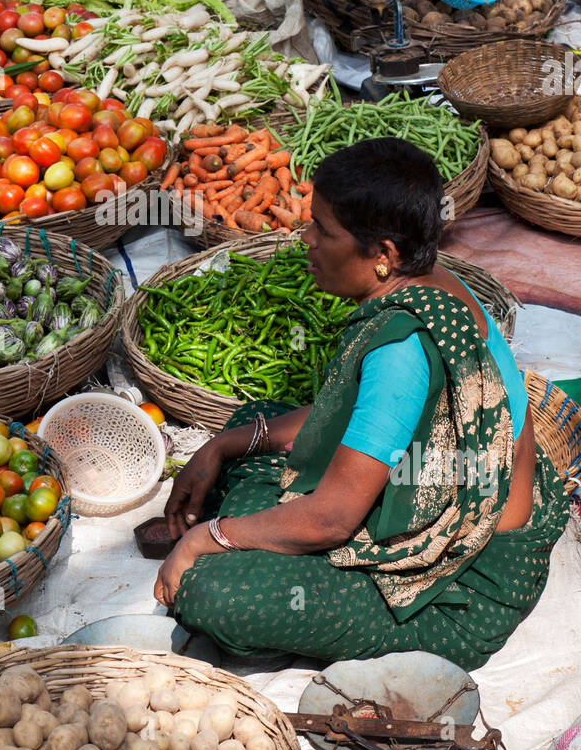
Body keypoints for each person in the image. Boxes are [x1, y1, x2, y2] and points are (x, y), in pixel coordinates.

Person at [155, 138, 569, 671]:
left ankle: (226, 533)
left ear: (384, 256)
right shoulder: (434, 284)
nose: (305, 240)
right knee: (252, 424)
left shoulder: (401, 349)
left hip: (460, 583)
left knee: (214, 595)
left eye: (322, 230)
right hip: (445, 488)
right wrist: (221, 444)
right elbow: (352, 417)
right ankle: (243, 522)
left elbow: (331, 519)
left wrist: (201, 541)